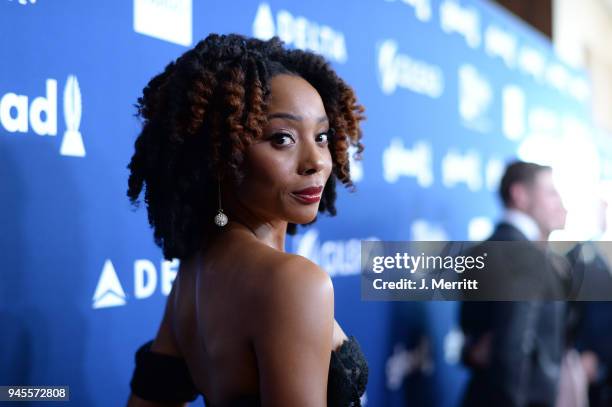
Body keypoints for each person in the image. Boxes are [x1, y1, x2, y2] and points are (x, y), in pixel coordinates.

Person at [124, 33, 368, 407]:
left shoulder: (192, 274)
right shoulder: (293, 282)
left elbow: (148, 399)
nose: (316, 161)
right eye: (282, 138)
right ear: (222, 153)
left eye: (321, 136)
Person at [460, 160, 568, 407]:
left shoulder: (478, 251)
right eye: (550, 192)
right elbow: (511, 350)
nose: (560, 202)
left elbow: (473, 342)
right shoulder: (525, 256)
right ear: (519, 194)